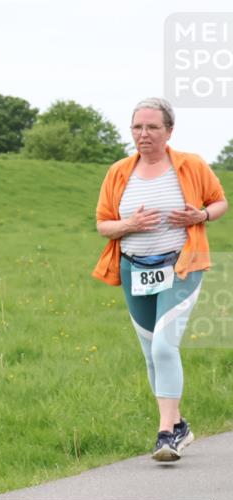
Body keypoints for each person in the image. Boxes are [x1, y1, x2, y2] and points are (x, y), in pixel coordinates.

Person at [92, 97, 227, 462]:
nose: (144, 134)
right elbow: (104, 224)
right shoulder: (120, 172)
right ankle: (179, 423)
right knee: (151, 353)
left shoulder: (191, 165)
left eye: (152, 127)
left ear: (169, 131)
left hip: (182, 264)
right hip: (134, 269)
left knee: (165, 347)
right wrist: (130, 225)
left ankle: (166, 433)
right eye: (137, 127)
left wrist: (200, 215)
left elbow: (219, 202)